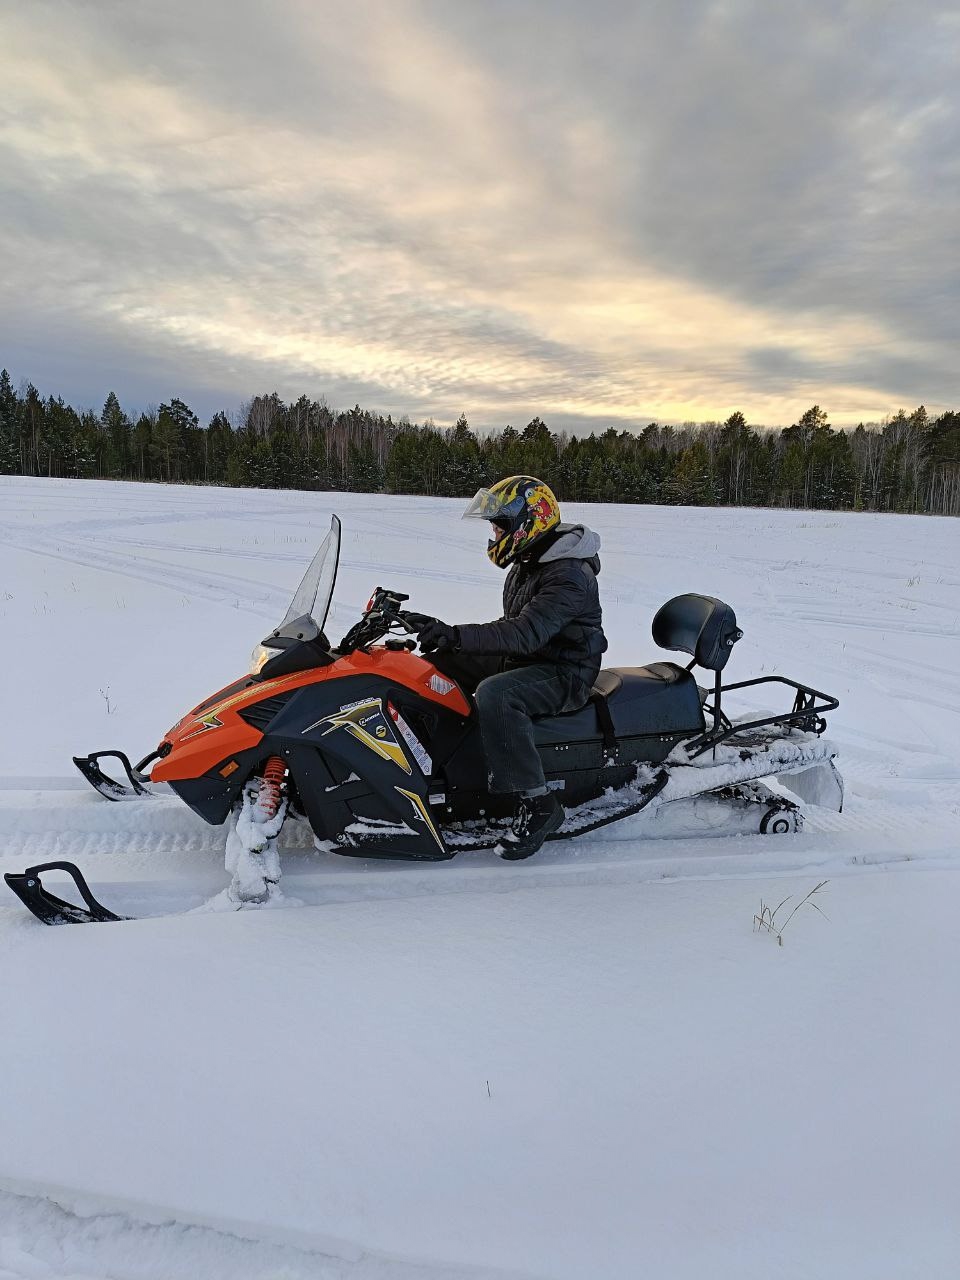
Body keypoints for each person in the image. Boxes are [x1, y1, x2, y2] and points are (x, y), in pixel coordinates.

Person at [406, 475, 606, 859]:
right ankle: (436, 764)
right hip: (533, 656)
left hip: (566, 671)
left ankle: (538, 804)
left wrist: (457, 633)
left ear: (528, 523)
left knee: (497, 694)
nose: (495, 534)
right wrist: (444, 636)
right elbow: (517, 631)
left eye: (501, 525)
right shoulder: (531, 558)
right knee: (442, 664)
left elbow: (526, 632)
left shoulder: (568, 574)